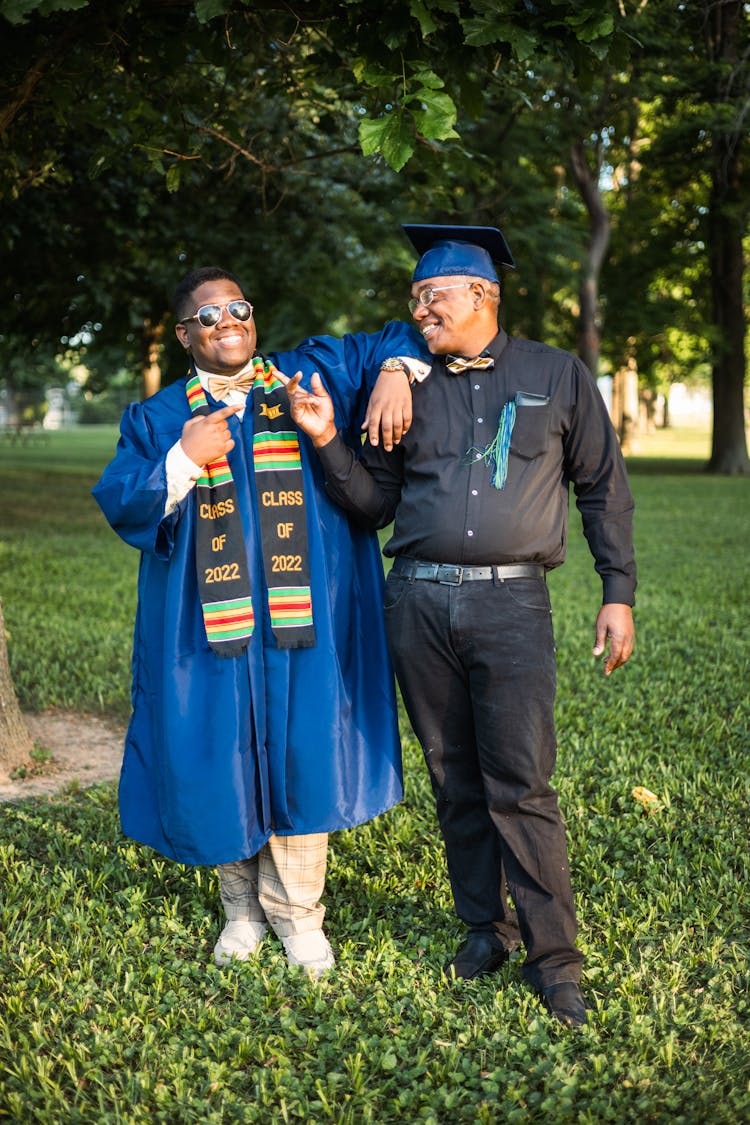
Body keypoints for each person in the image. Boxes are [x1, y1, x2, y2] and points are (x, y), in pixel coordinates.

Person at [285, 224, 637, 1024]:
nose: (419, 309)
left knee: (523, 783)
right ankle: (486, 928)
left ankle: (556, 961)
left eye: (431, 296)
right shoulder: (405, 386)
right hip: (416, 601)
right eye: (414, 296)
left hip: (513, 604)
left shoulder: (558, 374)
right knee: (454, 780)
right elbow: (374, 503)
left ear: (484, 295)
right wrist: (327, 439)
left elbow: (602, 487)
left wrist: (618, 589)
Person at [93, 266, 426, 976]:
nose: (228, 322)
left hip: (304, 619)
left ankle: (299, 916)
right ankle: (241, 910)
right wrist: (186, 455)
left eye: (238, 308)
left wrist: (396, 372)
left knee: (302, 751)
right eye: (208, 316)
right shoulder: (158, 419)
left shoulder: (311, 373)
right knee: (220, 753)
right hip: (206, 628)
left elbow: (398, 334)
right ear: (186, 334)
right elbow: (122, 498)